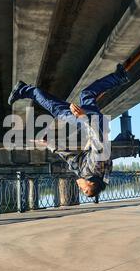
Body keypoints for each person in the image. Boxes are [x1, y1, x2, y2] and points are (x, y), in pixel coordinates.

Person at [8, 64, 131, 197]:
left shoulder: (90, 173)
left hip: (95, 125)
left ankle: (119, 77)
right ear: (90, 184)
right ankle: (24, 90)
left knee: (86, 95)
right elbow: (99, 142)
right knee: (57, 110)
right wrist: (84, 119)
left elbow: (70, 157)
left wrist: (49, 144)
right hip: (93, 125)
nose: (81, 189)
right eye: (85, 190)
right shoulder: (94, 168)